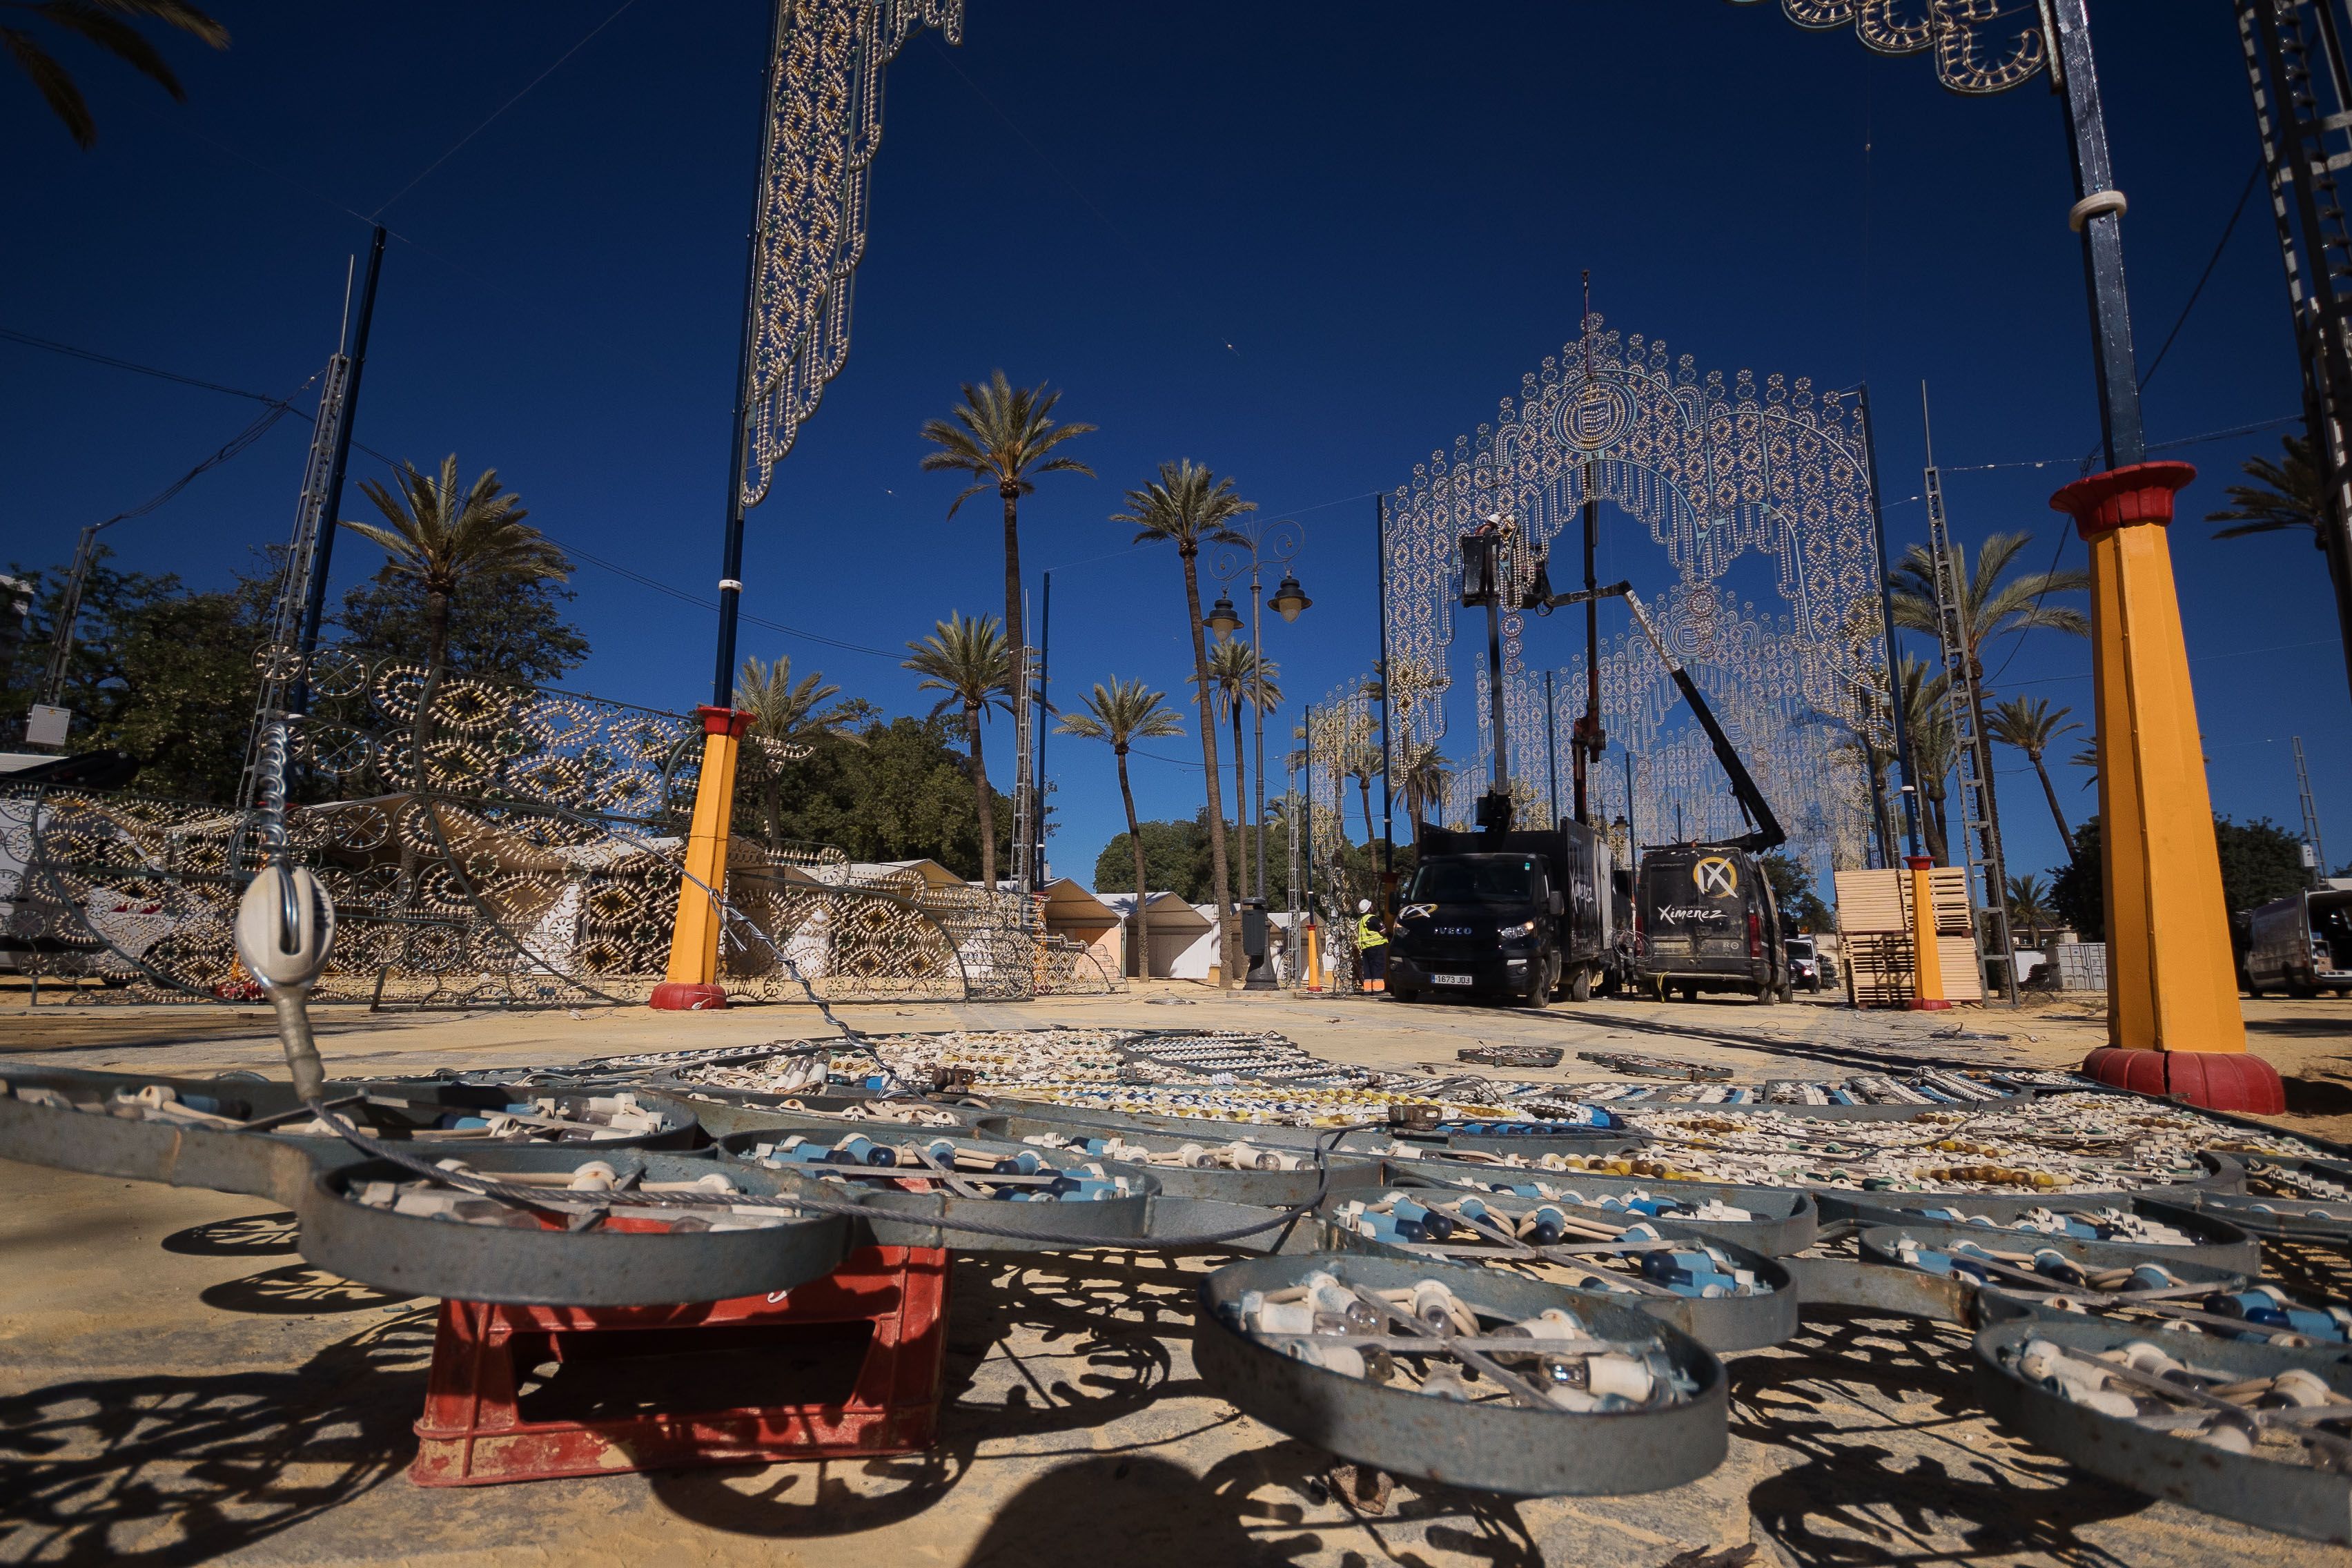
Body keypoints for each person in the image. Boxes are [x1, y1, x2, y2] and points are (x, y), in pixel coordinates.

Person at [1355, 897, 1388, 993]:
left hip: (1366, 948)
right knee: (1378, 967)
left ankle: (1368, 990)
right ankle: (1378, 990)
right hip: (1377, 946)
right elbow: (1383, 931)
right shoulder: (1373, 919)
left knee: (1368, 968)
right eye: (1371, 906)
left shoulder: (1361, 921)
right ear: (1369, 909)